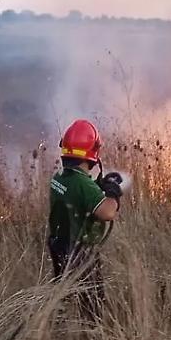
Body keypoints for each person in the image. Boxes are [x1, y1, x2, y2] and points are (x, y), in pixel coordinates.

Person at [48, 119, 123, 319]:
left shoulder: (60, 178)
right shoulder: (83, 184)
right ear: (92, 153)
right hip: (80, 252)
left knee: (62, 297)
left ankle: (58, 328)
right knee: (92, 306)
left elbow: (78, 196)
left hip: (59, 246)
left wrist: (98, 187)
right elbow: (107, 213)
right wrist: (113, 194)